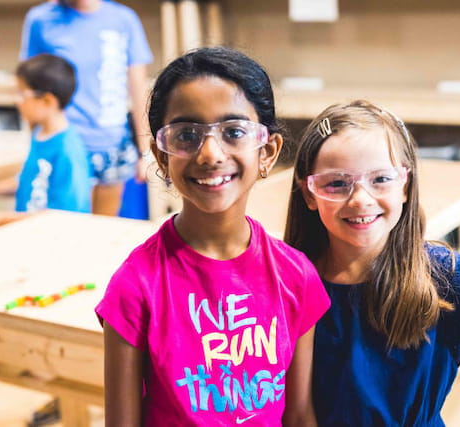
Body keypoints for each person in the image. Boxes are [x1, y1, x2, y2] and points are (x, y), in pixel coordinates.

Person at [284, 100, 460, 426]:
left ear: (405, 186)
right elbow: (297, 413)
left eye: (381, 179)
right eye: (337, 183)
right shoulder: (290, 280)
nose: (361, 198)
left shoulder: (440, 274)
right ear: (309, 193)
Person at [95, 47, 330, 426]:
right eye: (187, 135)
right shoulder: (136, 285)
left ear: (267, 151)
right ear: (161, 156)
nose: (209, 153)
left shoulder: (295, 276)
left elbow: (299, 414)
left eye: (234, 132)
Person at [20, 0, 153, 216]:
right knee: (68, 232)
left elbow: (139, 92)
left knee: (104, 231)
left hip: (114, 146)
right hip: (68, 146)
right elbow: (31, 89)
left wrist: (146, 151)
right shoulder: (41, 19)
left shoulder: (124, 19)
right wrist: (35, 152)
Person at [0, 53, 91, 224]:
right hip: (29, 231)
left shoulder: (68, 150)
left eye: (22, 93)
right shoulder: (39, 134)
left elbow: (65, 216)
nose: (18, 101)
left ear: (47, 100)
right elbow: (28, 179)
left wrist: (4, 219)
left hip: (52, 239)